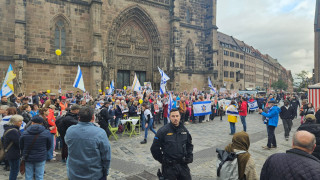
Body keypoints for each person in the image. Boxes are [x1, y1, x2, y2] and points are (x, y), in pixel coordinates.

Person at [65, 107, 111, 180]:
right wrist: (105, 171)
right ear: (93, 117)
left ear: (79, 117)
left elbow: (67, 143)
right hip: (93, 174)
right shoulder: (100, 132)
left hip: (74, 173)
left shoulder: (70, 130)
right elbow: (106, 155)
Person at [150, 108, 193, 180]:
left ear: (180, 116)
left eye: (177, 116)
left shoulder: (184, 130)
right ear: (169, 117)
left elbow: (189, 145)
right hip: (169, 168)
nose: (175, 118)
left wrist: (189, 156)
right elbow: (154, 148)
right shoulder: (163, 131)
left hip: (183, 165)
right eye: (173, 116)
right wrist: (163, 160)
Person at [20, 116, 52, 180]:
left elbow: (21, 145)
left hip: (28, 156)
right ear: (41, 123)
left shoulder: (25, 132)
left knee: (28, 175)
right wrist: (44, 151)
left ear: (32, 123)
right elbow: (49, 145)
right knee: (39, 175)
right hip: (41, 156)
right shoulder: (46, 132)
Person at [3, 115, 23, 180]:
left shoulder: (9, 129)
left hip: (10, 152)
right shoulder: (13, 131)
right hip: (13, 153)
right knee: (15, 170)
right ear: (15, 122)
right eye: (20, 121)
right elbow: (19, 143)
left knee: (13, 169)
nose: (21, 122)